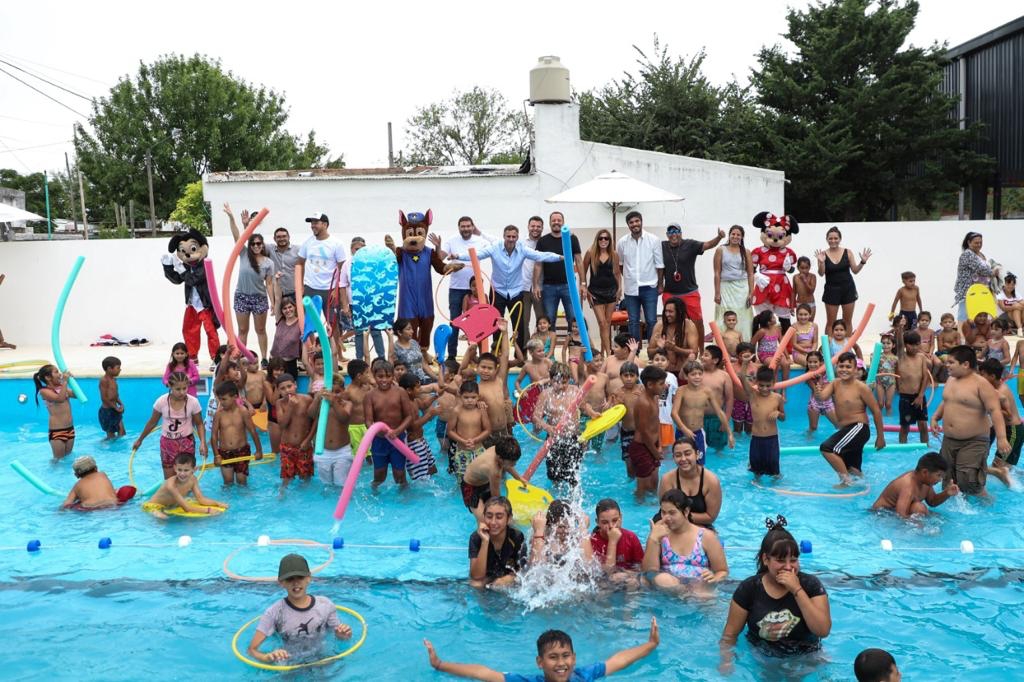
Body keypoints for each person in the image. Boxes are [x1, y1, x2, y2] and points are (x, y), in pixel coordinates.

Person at [720, 517, 831, 668]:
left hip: (807, 656)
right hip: (764, 657)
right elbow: (730, 635)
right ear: (766, 559)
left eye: (793, 560)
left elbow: (823, 630)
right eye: (780, 560)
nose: (788, 567)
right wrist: (726, 661)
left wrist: (797, 590)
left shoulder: (810, 585)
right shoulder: (749, 588)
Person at [424, 617, 659, 681]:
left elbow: (618, 661)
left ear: (574, 658)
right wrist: (441, 665)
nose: (561, 663)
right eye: (553, 657)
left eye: (565, 656)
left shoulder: (583, 675)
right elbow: (483, 673)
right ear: (540, 662)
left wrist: (650, 644)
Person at [449, 223, 562, 348]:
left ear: (517, 237)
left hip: (516, 291)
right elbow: (477, 255)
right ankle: (497, 351)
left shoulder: (522, 249)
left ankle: (520, 355)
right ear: (504, 236)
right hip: (497, 290)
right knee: (496, 323)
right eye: (508, 236)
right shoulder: (494, 248)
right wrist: (458, 256)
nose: (511, 239)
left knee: (519, 324)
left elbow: (541, 255)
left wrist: (560, 257)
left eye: (514, 237)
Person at [931, 345, 1009, 495]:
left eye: (951, 362)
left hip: (973, 441)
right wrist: (935, 417)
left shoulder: (981, 384)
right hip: (949, 440)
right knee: (947, 479)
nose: (947, 365)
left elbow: (995, 411)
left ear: (965, 364)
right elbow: (947, 400)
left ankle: (987, 506)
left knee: (969, 483)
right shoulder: (951, 380)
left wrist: (1002, 438)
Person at [247, 553, 353, 664]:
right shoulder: (273, 613)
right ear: (281, 582)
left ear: (309, 578)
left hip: (323, 660)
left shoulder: (325, 605)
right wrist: (268, 657)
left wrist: (343, 636)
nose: (296, 583)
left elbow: (338, 635)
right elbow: (252, 650)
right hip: (290, 664)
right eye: (290, 579)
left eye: (300, 577)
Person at [814, 352, 885, 487]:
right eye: (841, 366)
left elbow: (876, 411)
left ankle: (846, 481)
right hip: (847, 430)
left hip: (858, 428)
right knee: (852, 468)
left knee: (827, 448)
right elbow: (822, 398)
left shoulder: (861, 388)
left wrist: (880, 437)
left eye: (848, 367)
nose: (844, 370)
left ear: (855, 369)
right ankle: (863, 486)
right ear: (836, 367)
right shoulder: (835, 384)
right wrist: (817, 392)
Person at [643, 489, 728, 592]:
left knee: (702, 593)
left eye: (672, 513)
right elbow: (649, 572)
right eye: (663, 512)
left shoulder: (706, 537)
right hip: (671, 590)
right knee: (663, 579)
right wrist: (653, 539)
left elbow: (722, 571)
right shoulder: (660, 536)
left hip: (699, 590)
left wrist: (714, 578)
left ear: (686, 511)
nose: (666, 518)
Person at [660, 222, 726, 350]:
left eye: (676, 231)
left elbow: (708, 245)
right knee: (671, 322)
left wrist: (719, 237)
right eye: (670, 232)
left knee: (697, 322)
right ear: (667, 235)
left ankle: (700, 351)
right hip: (670, 293)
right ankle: (672, 349)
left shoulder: (690, 244)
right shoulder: (662, 246)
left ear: (680, 233)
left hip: (689, 292)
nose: (673, 235)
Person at [437, 216, 496, 358]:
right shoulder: (452, 240)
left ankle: (481, 355)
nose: (466, 229)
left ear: (472, 226)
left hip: (475, 288)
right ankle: (452, 356)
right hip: (456, 288)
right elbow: (440, 257)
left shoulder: (480, 241)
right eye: (463, 226)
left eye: (468, 226)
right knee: (455, 322)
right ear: (459, 227)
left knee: (479, 324)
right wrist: (438, 247)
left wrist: (481, 232)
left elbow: (496, 245)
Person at [295, 211, 348, 362]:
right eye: (311, 223)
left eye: (316, 222)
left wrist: (336, 290)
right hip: (311, 288)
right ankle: (311, 352)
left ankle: (338, 354)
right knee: (310, 322)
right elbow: (299, 262)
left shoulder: (336, 243)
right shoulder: (308, 242)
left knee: (333, 323)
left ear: (325, 224)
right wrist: (301, 285)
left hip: (329, 289)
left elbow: (342, 269)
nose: (313, 226)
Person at [134, 372, 207, 480]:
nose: (182, 392)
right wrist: (140, 439)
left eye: (185, 388)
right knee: (169, 480)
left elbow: (199, 423)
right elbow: (152, 422)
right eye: (178, 389)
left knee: (186, 478)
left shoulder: (193, 402)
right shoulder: (161, 401)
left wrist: (203, 443)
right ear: (170, 386)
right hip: (167, 443)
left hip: (186, 443)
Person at [532, 364, 587, 486]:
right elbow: (536, 417)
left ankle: (572, 495)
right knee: (554, 475)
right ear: (551, 380)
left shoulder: (575, 391)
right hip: (553, 439)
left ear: (569, 380)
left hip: (573, 438)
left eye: (564, 382)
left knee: (573, 475)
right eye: (557, 382)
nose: (561, 386)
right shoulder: (545, 395)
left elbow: (584, 408)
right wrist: (547, 427)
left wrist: (593, 414)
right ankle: (555, 494)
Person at [364, 360, 416, 488]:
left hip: (397, 439)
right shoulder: (370, 396)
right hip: (379, 440)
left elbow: (409, 416)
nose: (384, 380)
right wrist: (376, 431)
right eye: (380, 376)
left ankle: (403, 497)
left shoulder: (400, 392)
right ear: (374, 376)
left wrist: (397, 431)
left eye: (388, 376)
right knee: (379, 475)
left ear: (393, 376)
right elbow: (368, 421)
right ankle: (375, 495)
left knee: (400, 475)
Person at [815, 226, 872, 341]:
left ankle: (846, 346)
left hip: (848, 289)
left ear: (840, 239)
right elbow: (821, 273)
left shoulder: (848, 252)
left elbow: (855, 270)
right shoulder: (822, 254)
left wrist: (863, 262)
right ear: (827, 239)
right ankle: (828, 348)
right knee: (831, 322)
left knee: (847, 321)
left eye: (836, 238)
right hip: (831, 290)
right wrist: (821, 262)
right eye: (830, 238)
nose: (833, 240)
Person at [615, 211, 664, 346]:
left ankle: (652, 349)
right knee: (633, 321)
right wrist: (629, 278)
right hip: (631, 289)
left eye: (637, 221)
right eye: (631, 222)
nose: (634, 224)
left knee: (651, 320)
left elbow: (660, 265)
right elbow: (620, 264)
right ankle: (634, 351)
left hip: (650, 287)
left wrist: (660, 285)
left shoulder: (653, 240)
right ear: (628, 225)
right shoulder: (622, 242)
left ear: (641, 222)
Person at [671, 360, 734, 464]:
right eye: (693, 374)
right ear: (686, 376)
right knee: (683, 462)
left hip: (698, 433)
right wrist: (684, 429)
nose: (697, 377)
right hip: (682, 432)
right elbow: (674, 413)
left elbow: (719, 412)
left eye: (700, 374)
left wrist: (730, 433)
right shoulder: (681, 391)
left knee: (700, 463)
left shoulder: (707, 391)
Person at [533, 211, 584, 334]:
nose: (556, 222)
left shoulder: (572, 239)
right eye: (553, 220)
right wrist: (536, 285)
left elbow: (579, 261)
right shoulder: (543, 241)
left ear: (563, 222)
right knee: (549, 320)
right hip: (548, 287)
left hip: (569, 286)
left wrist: (583, 283)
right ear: (550, 223)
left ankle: (573, 345)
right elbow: (538, 265)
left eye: (559, 220)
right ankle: (550, 346)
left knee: (573, 318)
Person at [231, 230, 277, 365]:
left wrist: (273, 302)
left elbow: (269, 284)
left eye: (259, 243)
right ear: (249, 245)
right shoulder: (244, 254)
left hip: (259, 298)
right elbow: (237, 236)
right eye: (253, 244)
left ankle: (264, 358)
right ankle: (240, 357)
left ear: (262, 245)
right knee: (242, 330)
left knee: (260, 329)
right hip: (242, 297)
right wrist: (231, 219)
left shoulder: (268, 263)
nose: (256, 246)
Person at [656, 436, 723, 528]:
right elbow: (664, 511)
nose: (683, 459)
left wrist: (681, 517)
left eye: (687, 454)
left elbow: (710, 517)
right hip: (673, 525)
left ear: (697, 454)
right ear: (673, 458)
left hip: (701, 526)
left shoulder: (711, 481)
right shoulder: (667, 480)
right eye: (678, 455)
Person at [977, 357, 1023, 486]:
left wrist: (991, 409)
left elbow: (1008, 415)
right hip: (1015, 429)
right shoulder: (997, 387)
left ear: (992, 376)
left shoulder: (1000, 392)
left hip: (1012, 431)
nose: (981, 377)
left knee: (997, 468)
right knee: (1007, 469)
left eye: (983, 375)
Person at [870, 452, 959, 517]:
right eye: (938, 475)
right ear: (925, 472)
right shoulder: (908, 486)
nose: (940, 480)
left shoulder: (926, 482)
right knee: (919, 508)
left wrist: (947, 493)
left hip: (894, 511)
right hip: (881, 514)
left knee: (936, 515)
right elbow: (900, 515)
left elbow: (932, 501)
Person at [339, 237, 385, 361]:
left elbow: (380, 282)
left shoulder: (373, 262)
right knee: (359, 332)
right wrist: (345, 306)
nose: (360, 251)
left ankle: (381, 359)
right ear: (351, 250)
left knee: (376, 331)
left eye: (363, 249)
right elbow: (342, 285)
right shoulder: (347, 264)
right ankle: (359, 359)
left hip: (372, 302)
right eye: (357, 249)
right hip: (355, 304)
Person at [143, 452, 227, 519]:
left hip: (173, 506)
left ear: (194, 469)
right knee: (163, 518)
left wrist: (217, 503)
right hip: (154, 506)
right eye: (179, 470)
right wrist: (208, 510)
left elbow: (201, 499)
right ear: (175, 468)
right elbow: (187, 508)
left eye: (186, 470)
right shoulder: (171, 485)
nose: (182, 474)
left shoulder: (193, 479)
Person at [468, 496, 526, 589]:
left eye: (499, 517)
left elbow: (523, 571)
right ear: (483, 517)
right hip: (488, 577)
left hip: (508, 577)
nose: (493, 522)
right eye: (489, 516)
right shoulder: (476, 538)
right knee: (476, 584)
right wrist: (485, 542)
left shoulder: (516, 537)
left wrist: (508, 578)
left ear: (509, 519)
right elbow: (476, 577)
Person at [462, 436, 526, 520]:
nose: (515, 464)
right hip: (470, 488)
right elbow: (496, 499)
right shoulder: (494, 470)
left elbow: (506, 465)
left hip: (484, 482)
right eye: (512, 462)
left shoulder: (497, 449)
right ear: (500, 458)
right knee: (485, 520)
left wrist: (519, 478)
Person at [211, 381, 263, 485]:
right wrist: (216, 455)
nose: (221, 402)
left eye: (224, 399)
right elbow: (213, 436)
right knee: (228, 481)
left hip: (241, 451)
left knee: (242, 481)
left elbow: (253, 431)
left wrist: (259, 450)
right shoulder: (218, 414)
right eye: (219, 399)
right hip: (224, 452)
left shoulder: (243, 412)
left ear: (235, 397)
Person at [739, 364, 786, 477]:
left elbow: (783, 418)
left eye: (768, 386)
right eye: (761, 385)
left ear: (773, 383)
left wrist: (778, 414)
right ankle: (756, 484)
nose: (764, 388)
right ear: (756, 383)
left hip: (772, 439)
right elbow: (742, 377)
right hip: (757, 439)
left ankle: (775, 486)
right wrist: (745, 362)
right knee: (756, 470)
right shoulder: (753, 395)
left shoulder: (777, 398)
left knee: (774, 470)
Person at [625, 365, 665, 496]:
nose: (664, 386)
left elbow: (657, 422)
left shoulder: (655, 397)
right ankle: (639, 503)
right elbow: (644, 432)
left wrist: (659, 445)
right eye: (661, 384)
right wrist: (655, 452)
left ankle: (652, 503)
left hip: (653, 445)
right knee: (642, 488)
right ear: (650, 385)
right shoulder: (643, 403)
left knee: (654, 484)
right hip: (641, 447)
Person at [583, 228, 622, 356]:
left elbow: (617, 273)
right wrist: (584, 288)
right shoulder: (590, 253)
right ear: (597, 240)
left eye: (606, 238)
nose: (603, 240)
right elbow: (583, 271)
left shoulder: (614, 254)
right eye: (601, 238)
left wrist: (619, 289)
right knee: (602, 322)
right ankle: (609, 353)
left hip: (611, 291)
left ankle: (602, 350)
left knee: (607, 323)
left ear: (610, 240)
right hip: (595, 292)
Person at [713, 225, 755, 339]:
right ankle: (723, 345)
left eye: (738, 235)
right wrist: (717, 293)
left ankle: (744, 343)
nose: (735, 237)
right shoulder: (721, 250)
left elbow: (751, 274)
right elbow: (717, 273)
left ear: (742, 237)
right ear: (729, 235)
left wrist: (751, 293)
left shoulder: (746, 252)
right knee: (724, 313)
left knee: (743, 314)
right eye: (733, 234)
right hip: (725, 287)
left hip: (742, 287)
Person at [276, 373, 315, 489]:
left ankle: (306, 498)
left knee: (305, 477)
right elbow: (282, 424)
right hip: (287, 447)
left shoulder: (307, 399)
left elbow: (315, 421)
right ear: (278, 391)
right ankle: (282, 497)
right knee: (286, 478)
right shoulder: (280, 403)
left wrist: (308, 440)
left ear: (295, 385)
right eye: (283, 388)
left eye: (289, 386)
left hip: (304, 446)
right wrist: (290, 407)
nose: (287, 390)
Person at [894, 326, 930, 444]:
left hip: (919, 396)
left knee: (923, 426)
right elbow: (899, 344)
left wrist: (920, 395)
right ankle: (902, 449)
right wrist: (900, 328)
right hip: (906, 397)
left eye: (917, 344)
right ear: (905, 345)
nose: (914, 347)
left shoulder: (921, 357)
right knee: (905, 428)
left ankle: (925, 448)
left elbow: (925, 377)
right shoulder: (901, 357)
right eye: (911, 345)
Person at [61, 456, 135, 510]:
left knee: (75, 505)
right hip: (112, 504)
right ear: (96, 468)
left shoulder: (77, 485)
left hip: (91, 508)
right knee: (125, 490)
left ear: (76, 475)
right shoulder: (102, 474)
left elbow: (67, 504)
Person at [590, 498, 645, 572]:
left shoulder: (631, 537)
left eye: (614, 520)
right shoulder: (593, 542)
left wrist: (627, 574)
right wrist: (612, 542)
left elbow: (642, 569)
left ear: (621, 517)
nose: (611, 526)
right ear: (597, 522)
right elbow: (607, 572)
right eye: (605, 522)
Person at [34, 364, 76, 459]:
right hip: (57, 431)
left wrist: (72, 381)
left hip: (70, 429)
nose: (60, 374)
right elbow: (60, 399)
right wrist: (65, 382)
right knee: (58, 461)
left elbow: (76, 395)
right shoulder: (44, 391)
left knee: (68, 458)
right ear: (48, 377)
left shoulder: (62, 388)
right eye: (56, 372)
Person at [518, 216, 547, 351]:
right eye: (533, 226)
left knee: (541, 322)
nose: (535, 229)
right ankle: (524, 352)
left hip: (540, 288)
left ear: (542, 228)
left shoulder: (546, 242)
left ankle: (540, 351)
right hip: (523, 287)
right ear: (528, 227)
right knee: (523, 322)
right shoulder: (520, 243)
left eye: (538, 226)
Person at [649, 297, 699, 374]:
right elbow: (649, 353)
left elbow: (695, 353)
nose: (667, 314)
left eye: (670, 311)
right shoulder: (659, 325)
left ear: (679, 312)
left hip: (683, 372)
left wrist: (675, 349)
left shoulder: (689, 326)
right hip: (663, 373)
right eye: (666, 311)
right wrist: (659, 348)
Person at [953, 231, 993, 322]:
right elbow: (980, 269)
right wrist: (993, 272)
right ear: (969, 242)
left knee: (978, 314)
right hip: (968, 290)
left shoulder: (981, 254)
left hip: (981, 289)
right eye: (976, 243)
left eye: (980, 242)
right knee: (965, 313)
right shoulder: (967, 254)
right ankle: (962, 331)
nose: (979, 245)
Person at [389, 318, 438, 385]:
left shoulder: (414, 342)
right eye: (408, 329)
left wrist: (436, 378)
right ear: (399, 332)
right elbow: (391, 365)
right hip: (409, 383)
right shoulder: (395, 348)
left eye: (411, 328)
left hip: (423, 379)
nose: (412, 331)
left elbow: (423, 364)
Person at [268, 226, 301, 319]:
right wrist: (247, 226)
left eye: (284, 236)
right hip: (278, 296)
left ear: (289, 237)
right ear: (274, 239)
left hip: (295, 293)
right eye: (278, 237)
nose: (281, 239)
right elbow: (253, 242)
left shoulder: (298, 250)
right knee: (280, 321)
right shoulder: (270, 249)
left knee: (299, 320)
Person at [804, 351, 838, 432]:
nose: (812, 364)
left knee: (838, 425)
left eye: (815, 362)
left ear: (821, 362)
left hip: (828, 403)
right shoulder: (807, 376)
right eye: (810, 362)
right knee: (813, 428)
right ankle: (808, 439)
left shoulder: (828, 372)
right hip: (814, 403)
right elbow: (818, 392)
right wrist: (819, 379)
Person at [270, 296, 302, 379]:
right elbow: (277, 299)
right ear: (281, 311)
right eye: (285, 308)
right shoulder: (280, 320)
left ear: (294, 307)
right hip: (274, 363)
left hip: (289, 364)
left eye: (290, 307)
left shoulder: (301, 323)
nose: (288, 310)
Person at [98, 356, 125, 439]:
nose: (120, 370)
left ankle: (118, 447)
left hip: (114, 409)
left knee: (122, 432)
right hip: (107, 412)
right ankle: (104, 444)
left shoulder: (114, 380)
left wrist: (121, 404)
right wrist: (116, 408)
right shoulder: (104, 380)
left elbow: (116, 395)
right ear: (109, 369)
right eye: (118, 368)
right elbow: (104, 398)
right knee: (111, 435)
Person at [792, 256, 818, 321]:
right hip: (799, 303)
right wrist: (792, 306)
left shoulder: (812, 276)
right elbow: (794, 292)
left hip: (810, 303)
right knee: (800, 324)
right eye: (802, 268)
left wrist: (805, 280)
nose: (804, 270)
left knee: (810, 324)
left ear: (809, 267)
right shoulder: (795, 277)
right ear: (798, 268)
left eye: (806, 268)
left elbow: (811, 290)